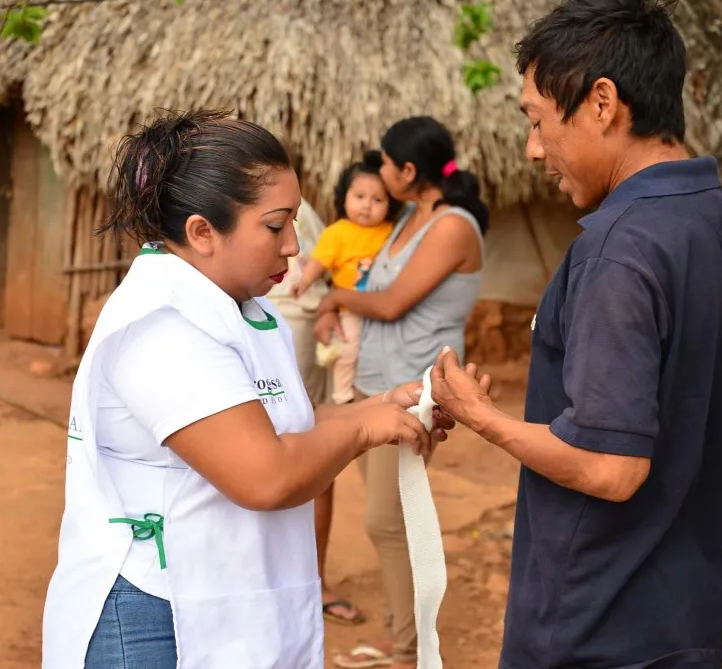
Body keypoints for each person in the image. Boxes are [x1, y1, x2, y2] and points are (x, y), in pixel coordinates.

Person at [427, 0, 722, 667]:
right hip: (691, 621)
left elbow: (610, 467)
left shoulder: (618, 249)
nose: (534, 150)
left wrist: (483, 417)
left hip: (592, 629)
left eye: (537, 121)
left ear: (601, 103)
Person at [40, 109, 459, 669]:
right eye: (275, 225)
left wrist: (387, 405)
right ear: (202, 232)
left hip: (215, 593)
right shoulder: (163, 324)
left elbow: (290, 428)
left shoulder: (245, 310)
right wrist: (362, 427)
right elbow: (268, 474)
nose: (293, 246)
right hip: (155, 614)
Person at [316, 116, 488, 669]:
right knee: (389, 518)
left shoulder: (453, 227)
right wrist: (336, 302)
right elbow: (373, 282)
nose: (381, 172)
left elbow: (390, 303)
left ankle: (409, 650)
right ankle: (405, 641)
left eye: (387, 164)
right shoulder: (411, 217)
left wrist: (331, 296)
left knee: (385, 520)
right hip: (377, 383)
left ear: (409, 170)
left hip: (416, 387)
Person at [266, 196, 366, 626]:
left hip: (295, 326)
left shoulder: (296, 208)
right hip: (270, 320)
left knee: (306, 447)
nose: (287, 245)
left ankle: (313, 581)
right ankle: (297, 582)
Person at [292, 150, 398, 406]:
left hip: (381, 306)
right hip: (349, 308)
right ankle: (342, 396)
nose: (366, 205)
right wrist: (304, 281)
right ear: (344, 197)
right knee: (349, 351)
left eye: (377, 200)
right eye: (359, 197)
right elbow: (320, 261)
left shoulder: (391, 231)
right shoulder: (337, 232)